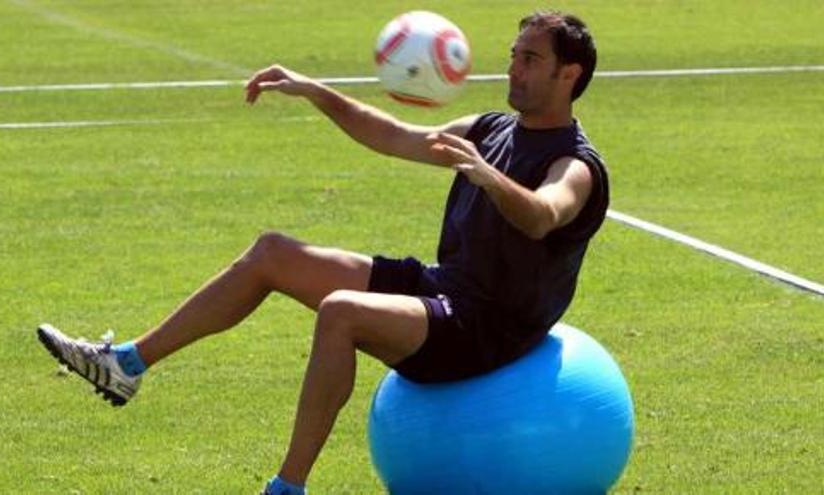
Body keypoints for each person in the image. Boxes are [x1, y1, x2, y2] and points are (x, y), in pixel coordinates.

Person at [37, 10, 608, 495]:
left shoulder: (575, 165)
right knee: (273, 253)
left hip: (487, 328)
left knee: (340, 311)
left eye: (529, 59)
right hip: (444, 289)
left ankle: (287, 487)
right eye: (514, 54)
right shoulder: (489, 129)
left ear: (569, 73)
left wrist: (487, 177)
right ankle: (126, 366)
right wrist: (314, 90)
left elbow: (543, 215)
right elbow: (389, 134)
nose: (513, 67)